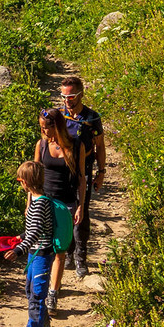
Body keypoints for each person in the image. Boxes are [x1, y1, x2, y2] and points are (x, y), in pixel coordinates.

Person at [54, 73, 107, 277]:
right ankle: (66, 253)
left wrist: (101, 172)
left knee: (81, 211)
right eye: (64, 96)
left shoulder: (92, 118)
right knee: (63, 212)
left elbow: (100, 146)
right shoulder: (58, 115)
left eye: (71, 96)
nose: (67, 100)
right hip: (61, 171)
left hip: (83, 171)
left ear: (81, 94)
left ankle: (80, 257)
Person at [28, 104, 82, 298]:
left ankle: (53, 292)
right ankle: (41, 288)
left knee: (60, 249)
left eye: (46, 127)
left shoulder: (76, 145)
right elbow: (34, 177)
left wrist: (80, 206)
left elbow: (81, 178)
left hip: (66, 202)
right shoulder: (41, 145)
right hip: (44, 202)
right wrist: (30, 204)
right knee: (42, 247)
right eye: (41, 127)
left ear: (57, 126)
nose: (43, 131)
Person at [18, 159, 56, 327]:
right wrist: (20, 238)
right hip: (35, 253)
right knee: (29, 290)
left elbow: (35, 233)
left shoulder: (40, 203)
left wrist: (19, 249)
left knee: (37, 296)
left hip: (41, 254)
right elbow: (33, 230)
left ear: (26, 181)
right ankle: (43, 322)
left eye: (19, 180)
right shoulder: (35, 201)